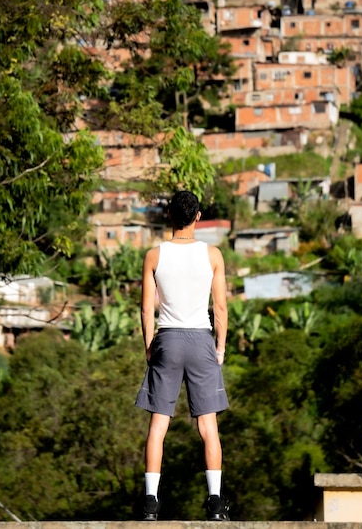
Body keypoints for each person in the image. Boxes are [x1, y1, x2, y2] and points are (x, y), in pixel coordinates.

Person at [135, 190, 230, 521]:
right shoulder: (213, 255)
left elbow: (148, 308)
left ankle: (150, 502)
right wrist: (219, 347)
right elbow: (219, 307)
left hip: (168, 340)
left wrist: (150, 344)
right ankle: (215, 501)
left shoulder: (153, 256)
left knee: (158, 424)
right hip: (201, 339)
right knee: (208, 426)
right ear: (198, 217)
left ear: (169, 217)